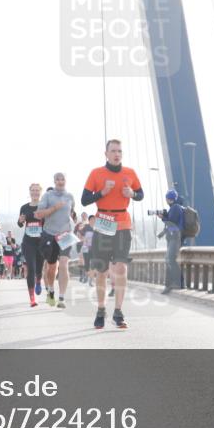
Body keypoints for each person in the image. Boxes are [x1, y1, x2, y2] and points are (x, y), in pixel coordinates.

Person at [81, 139, 144, 329]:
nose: (117, 154)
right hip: (103, 223)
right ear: (106, 154)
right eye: (113, 151)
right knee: (102, 270)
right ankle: (101, 309)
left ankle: (118, 311)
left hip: (123, 223)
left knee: (121, 269)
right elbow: (84, 200)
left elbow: (141, 194)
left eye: (120, 151)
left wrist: (132, 194)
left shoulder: (130, 173)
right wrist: (102, 192)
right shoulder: (96, 173)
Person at [35, 172, 77, 309]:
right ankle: (51, 290)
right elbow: (39, 214)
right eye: (57, 179)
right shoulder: (48, 196)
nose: (60, 181)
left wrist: (73, 225)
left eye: (62, 179)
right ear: (54, 181)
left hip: (65, 235)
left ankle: (62, 298)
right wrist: (54, 208)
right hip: (50, 234)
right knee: (52, 267)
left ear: (66, 180)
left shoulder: (70, 196)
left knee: (64, 264)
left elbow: (72, 214)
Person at [18, 183, 46, 307]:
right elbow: (20, 224)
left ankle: (39, 280)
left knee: (39, 269)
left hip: (41, 242)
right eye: (33, 190)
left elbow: (50, 222)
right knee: (31, 269)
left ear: (40, 192)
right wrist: (20, 221)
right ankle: (32, 298)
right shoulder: (24, 207)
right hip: (28, 242)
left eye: (37, 190)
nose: (35, 192)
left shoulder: (44, 206)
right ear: (30, 192)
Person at [157, 190, 185, 294]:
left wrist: (162, 218)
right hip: (172, 237)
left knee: (170, 260)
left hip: (175, 238)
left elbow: (171, 223)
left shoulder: (175, 208)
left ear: (169, 199)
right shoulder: (174, 208)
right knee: (169, 260)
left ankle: (178, 283)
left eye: (167, 198)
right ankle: (171, 285)